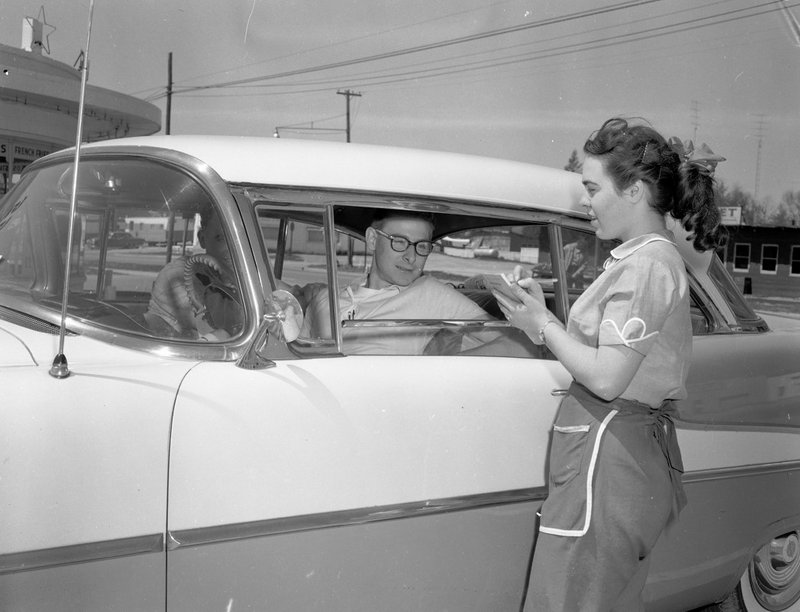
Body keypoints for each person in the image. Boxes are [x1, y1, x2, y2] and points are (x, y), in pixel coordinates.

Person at [495, 117, 726, 611]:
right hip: (620, 456)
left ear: (636, 191)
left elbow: (606, 376)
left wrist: (542, 325)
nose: (584, 201)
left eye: (591, 188)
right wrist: (543, 316)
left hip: (609, 459)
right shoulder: (645, 259)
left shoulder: (645, 264)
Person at [301, 210, 492, 354]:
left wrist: (440, 368)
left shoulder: (431, 293)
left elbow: (512, 342)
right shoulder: (325, 298)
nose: (411, 257)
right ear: (373, 239)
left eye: (422, 246)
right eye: (400, 242)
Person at [144, 207, 243, 341]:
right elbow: (210, 325)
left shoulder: (242, 277)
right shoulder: (179, 273)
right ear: (202, 238)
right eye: (220, 238)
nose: (230, 248)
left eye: (239, 240)